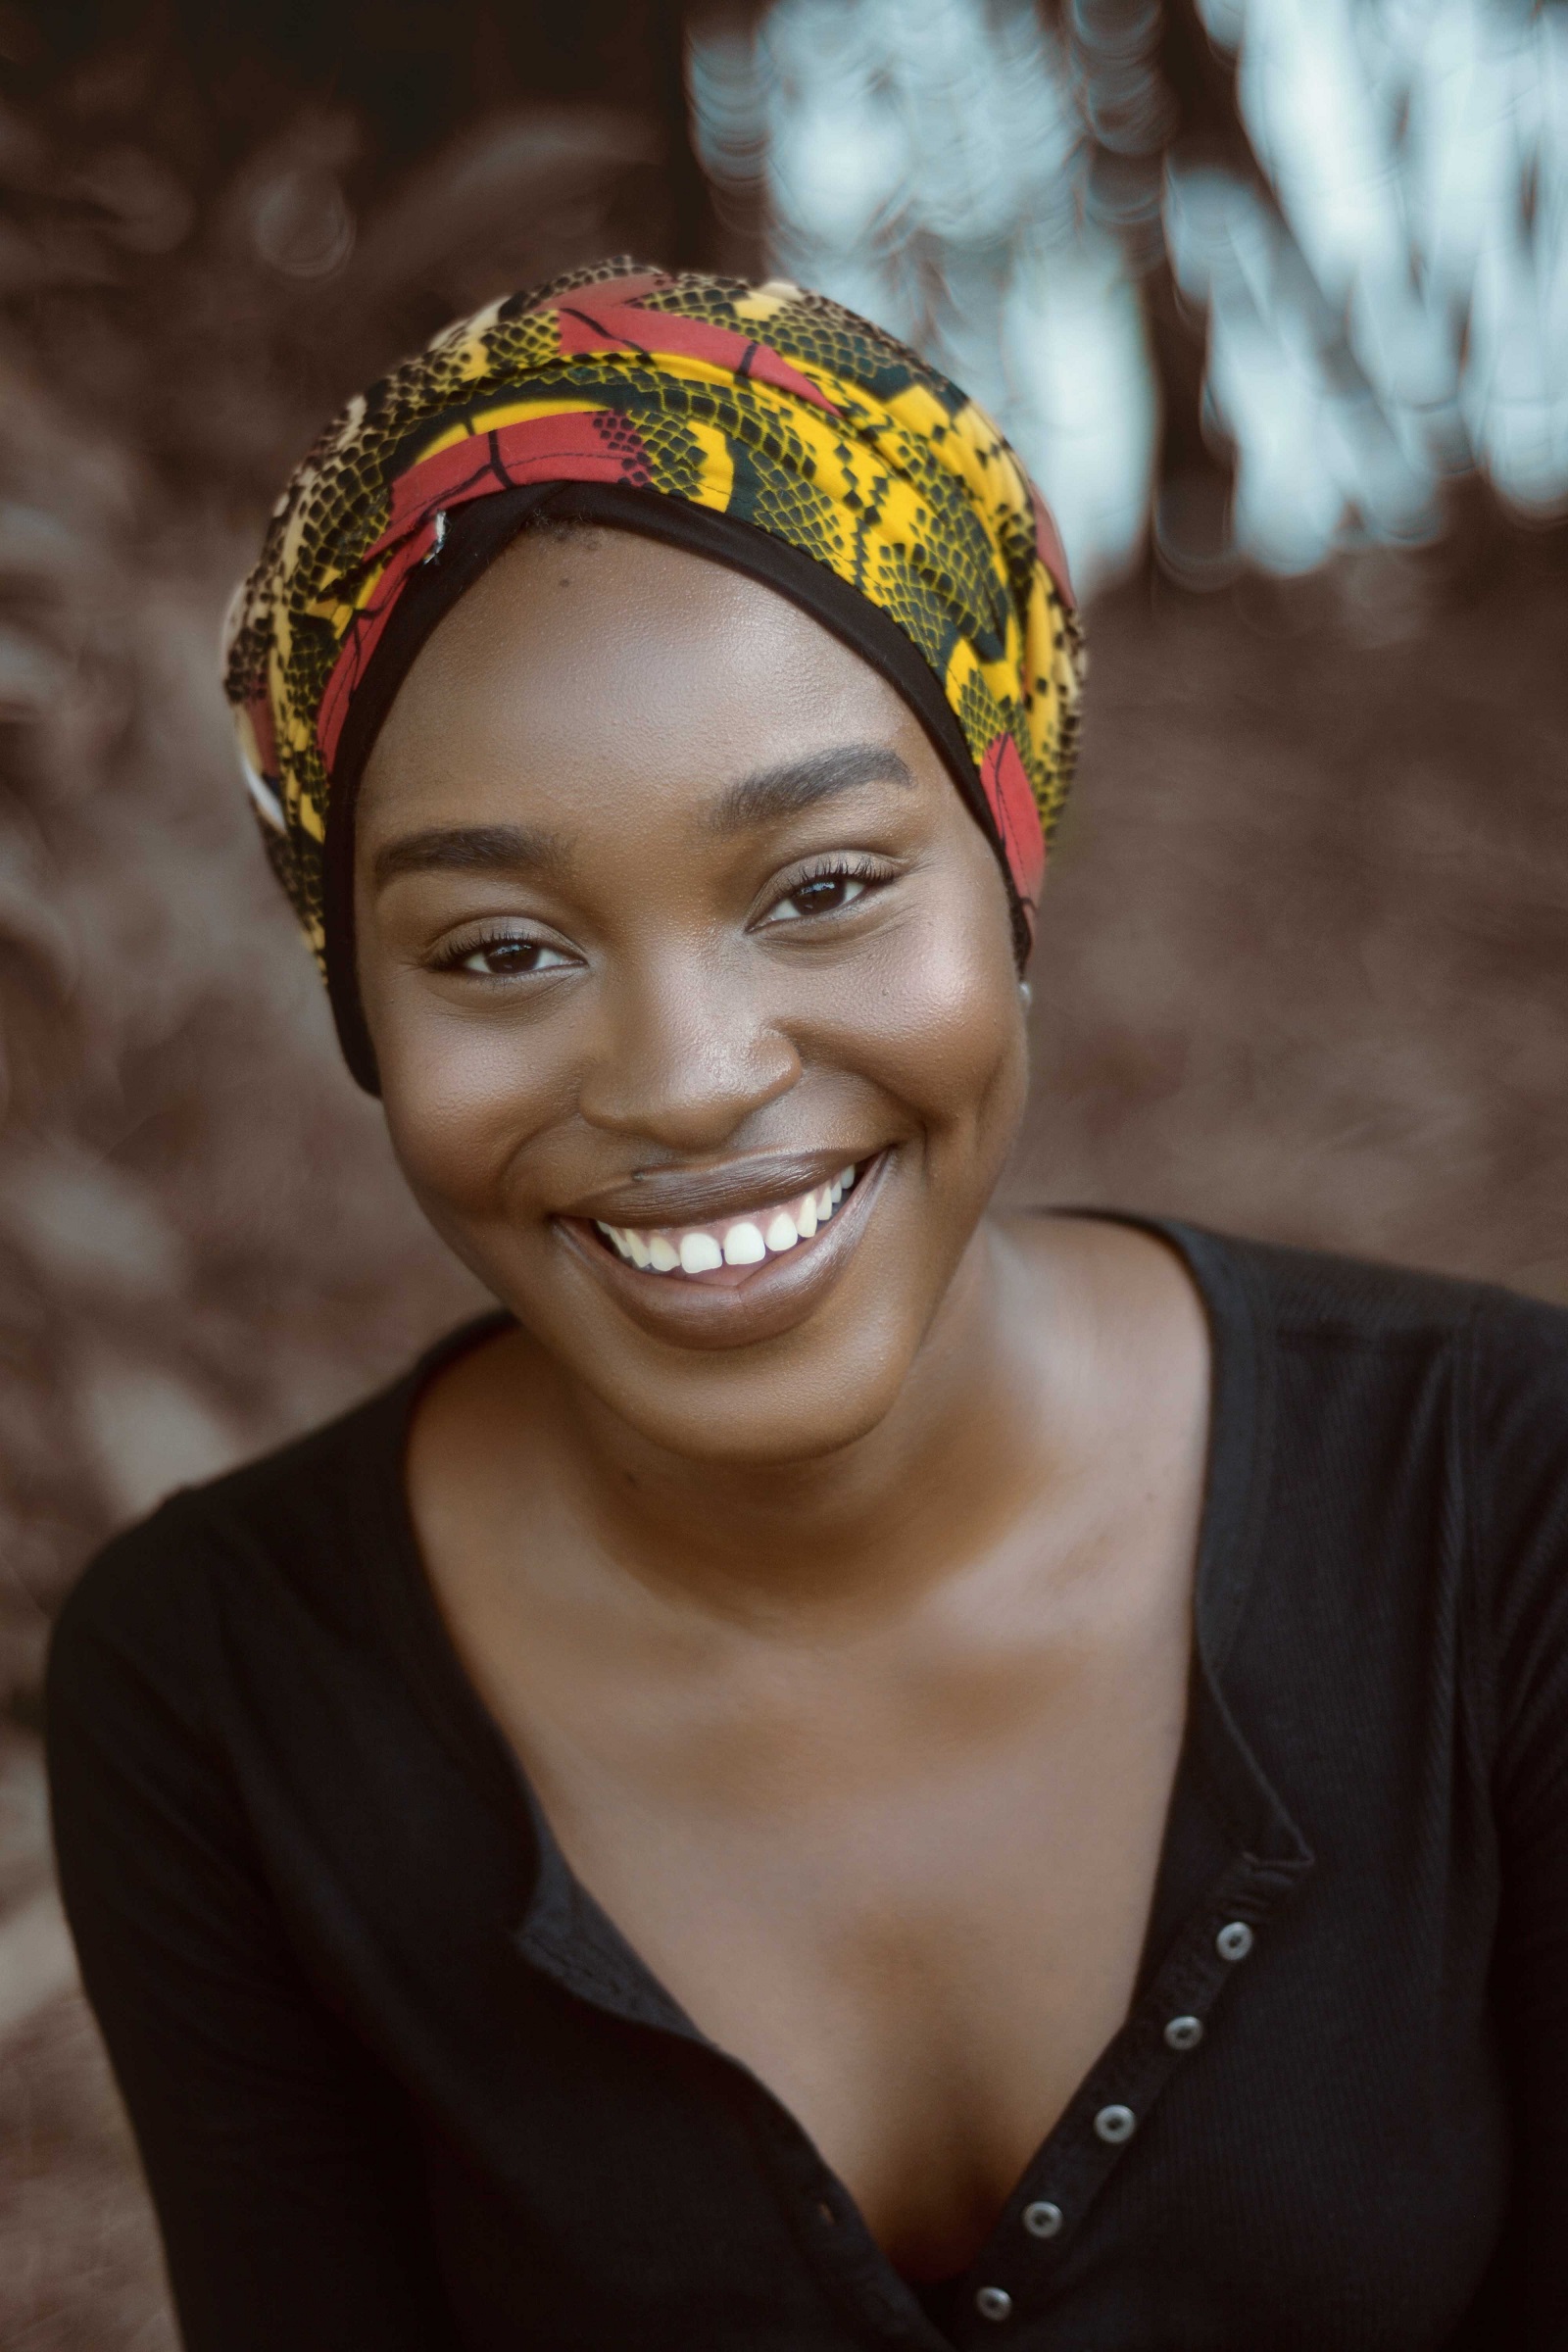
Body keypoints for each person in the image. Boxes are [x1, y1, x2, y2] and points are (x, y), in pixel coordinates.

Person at [44, 263, 1568, 2352]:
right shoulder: (219, 1696)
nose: (685, 1080)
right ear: (361, 1010)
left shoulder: (1498, 1508)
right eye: (498, 950)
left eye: (822, 887)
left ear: (1008, 870)